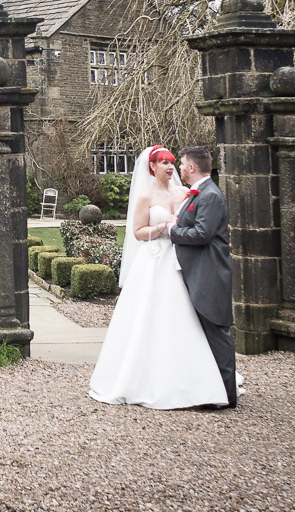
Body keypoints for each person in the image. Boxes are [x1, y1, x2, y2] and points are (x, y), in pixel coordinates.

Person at [88, 145, 230, 410]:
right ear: (151, 167)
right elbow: (138, 232)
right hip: (155, 259)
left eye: (172, 163)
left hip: (183, 259)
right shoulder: (146, 196)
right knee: (150, 314)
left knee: (184, 314)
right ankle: (146, 376)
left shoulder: (187, 193)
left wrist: (176, 230)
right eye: (163, 162)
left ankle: (195, 375)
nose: (169, 167)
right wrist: (162, 228)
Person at [163, 145, 239, 409]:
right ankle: (208, 391)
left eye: (182, 164)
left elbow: (202, 234)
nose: (179, 168)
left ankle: (227, 397)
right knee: (203, 335)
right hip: (198, 272)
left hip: (210, 273)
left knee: (216, 332)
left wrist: (173, 230)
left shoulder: (210, 196)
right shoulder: (199, 194)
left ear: (192, 167)